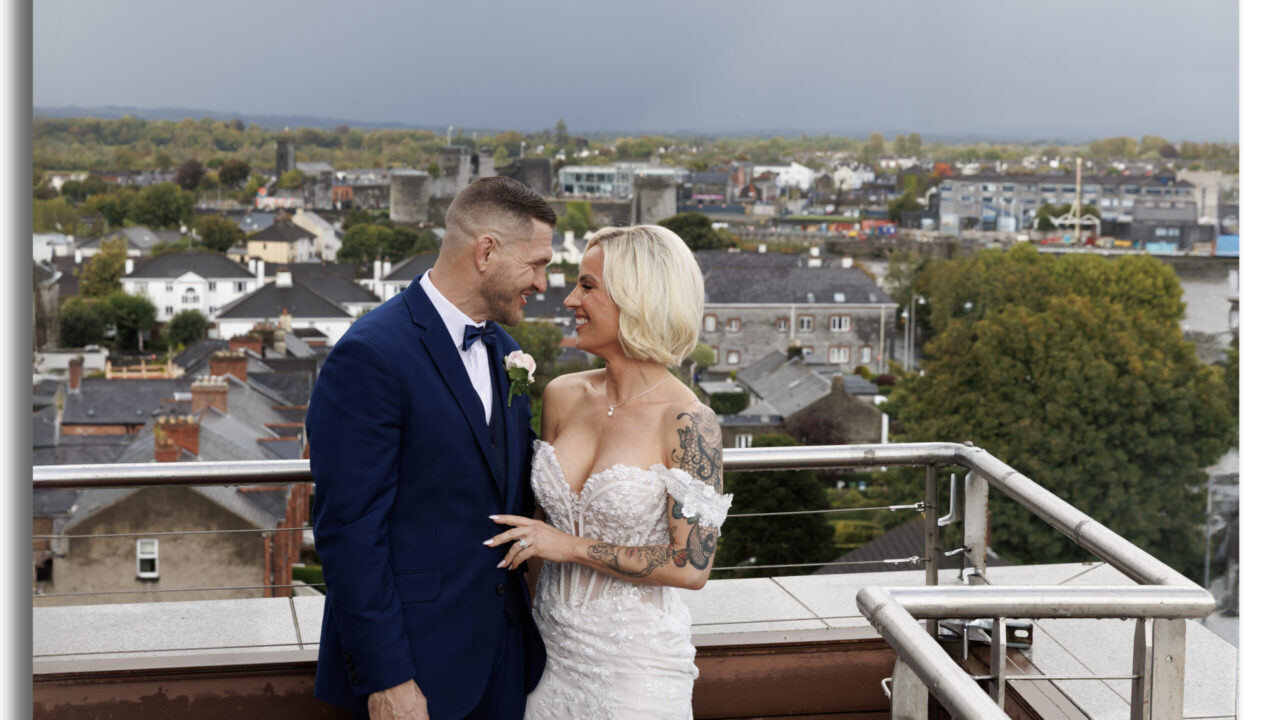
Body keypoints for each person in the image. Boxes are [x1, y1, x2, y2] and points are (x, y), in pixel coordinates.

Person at [306, 176, 556, 720]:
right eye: (537, 264)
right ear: (486, 251)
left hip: (502, 660)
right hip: (414, 667)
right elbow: (348, 531)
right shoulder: (370, 355)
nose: (543, 283)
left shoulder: (507, 351)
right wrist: (387, 677)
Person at [486, 225, 732, 720]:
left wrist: (569, 546)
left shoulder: (688, 424)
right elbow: (535, 527)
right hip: (546, 657)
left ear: (638, 298)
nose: (571, 298)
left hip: (634, 673)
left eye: (589, 286)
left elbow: (691, 565)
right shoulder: (561, 394)